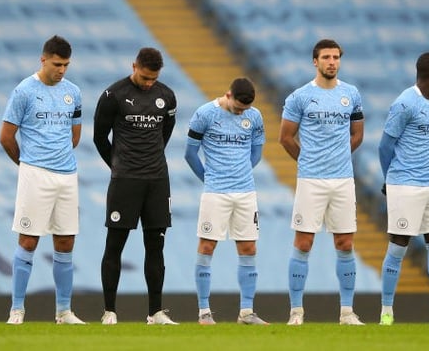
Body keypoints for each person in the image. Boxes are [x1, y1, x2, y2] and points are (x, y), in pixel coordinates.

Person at [0, 36, 85, 325]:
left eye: (66, 65)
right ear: (43, 59)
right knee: (28, 239)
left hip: (66, 175)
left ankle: (64, 311)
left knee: (65, 241)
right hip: (35, 174)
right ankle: (17, 309)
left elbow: (74, 135)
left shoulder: (73, 92)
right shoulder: (24, 91)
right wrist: (27, 165)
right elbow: (6, 137)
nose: (61, 70)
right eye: (57, 64)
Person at [279, 39, 365, 326]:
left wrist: (337, 157)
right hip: (311, 180)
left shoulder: (351, 94)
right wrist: (308, 161)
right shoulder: (300, 97)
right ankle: (296, 312)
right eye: (326, 57)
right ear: (315, 61)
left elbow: (357, 135)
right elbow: (286, 138)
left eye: (336, 57)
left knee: (345, 242)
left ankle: (347, 312)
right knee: (303, 242)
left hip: (342, 180)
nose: (332, 61)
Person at [94, 47, 178, 325]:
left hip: (157, 181)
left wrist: (149, 161)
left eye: (153, 79)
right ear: (134, 66)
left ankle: (155, 312)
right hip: (125, 182)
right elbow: (99, 138)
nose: (148, 83)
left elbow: (164, 134)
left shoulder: (166, 96)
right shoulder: (113, 95)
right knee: (114, 244)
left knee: (155, 246)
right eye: (144, 77)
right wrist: (119, 166)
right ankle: (110, 312)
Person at [378, 52, 429, 327]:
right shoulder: (404, 103)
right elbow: (385, 146)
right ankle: (387, 311)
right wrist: (389, 179)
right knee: (398, 247)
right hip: (405, 184)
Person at [185, 77, 269, 326]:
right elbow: (190, 153)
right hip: (216, 193)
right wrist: (209, 179)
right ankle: (203, 312)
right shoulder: (205, 114)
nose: (242, 112)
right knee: (207, 247)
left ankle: (246, 312)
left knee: (248, 249)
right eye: (239, 107)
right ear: (228, 94)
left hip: (245, 193)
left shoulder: (254, 116)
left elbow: (257, 152)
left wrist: (241, 172)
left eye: (245, 108)